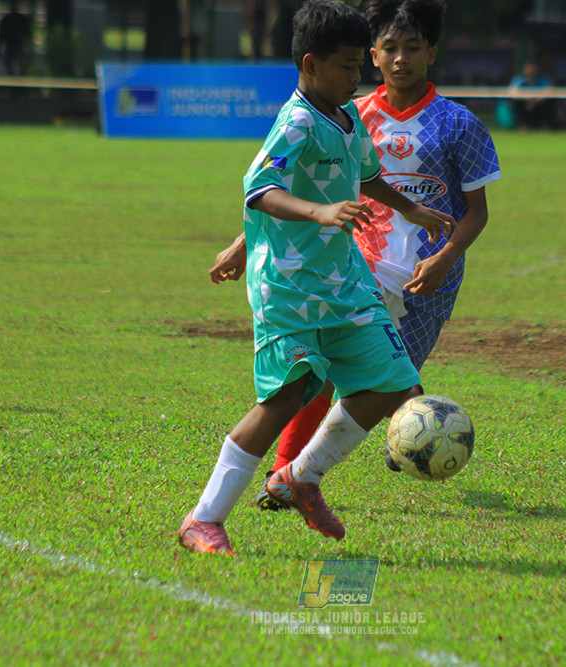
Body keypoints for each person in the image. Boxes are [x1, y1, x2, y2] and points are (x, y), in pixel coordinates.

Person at [178, 0, 456, 555]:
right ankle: (203, 519)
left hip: (344, 282)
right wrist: (319, 212)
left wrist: (412, 209)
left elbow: (366, 176)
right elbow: (261, 189)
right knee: (289, 393)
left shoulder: (347, 115)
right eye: (348, 66)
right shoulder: (297, 122)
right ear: (311, 64)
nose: (358, 76)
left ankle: (300, 477)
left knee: (393, 384)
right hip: (290, 286)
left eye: (358, 65)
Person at [507, 58, 555, 131]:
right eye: (529, 68)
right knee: (515, 103)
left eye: (533, 69)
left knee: (549, 102)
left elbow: (549, 92)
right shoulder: (519, 79)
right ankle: (523, 125)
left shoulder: (543, 79)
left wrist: (535, 102)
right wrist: (527, 100)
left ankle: (544, 125)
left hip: (538, 105)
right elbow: (513, 93)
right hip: (524, 105)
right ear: (525, 69)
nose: (532, 71)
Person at [0, 0, 32, 75]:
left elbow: (27, 33)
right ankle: (14, 76)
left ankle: (18, 75)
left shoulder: (8, 19)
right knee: (12, 63)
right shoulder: (19, 19)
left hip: (18, 44)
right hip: (12, 44)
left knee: (18, 62)